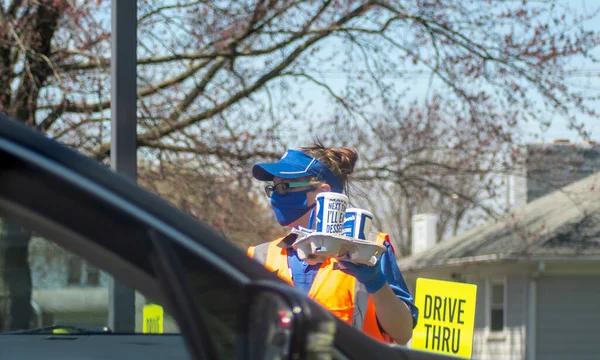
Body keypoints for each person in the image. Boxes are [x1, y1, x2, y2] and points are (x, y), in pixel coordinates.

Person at [247, 142, 418, 345]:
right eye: (272, 189)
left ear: (322, 193)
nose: (274, 197)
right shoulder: (261, 255)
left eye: (283, 188)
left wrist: (376, 282)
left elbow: (403, 333)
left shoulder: (371, 248)